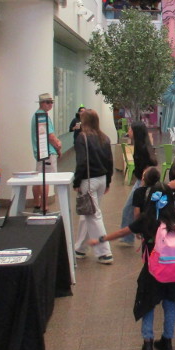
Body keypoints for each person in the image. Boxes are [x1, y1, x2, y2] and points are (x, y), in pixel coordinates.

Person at [88, 184, 175, 350]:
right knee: (170, 304)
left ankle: (147, 343)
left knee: (148, 304)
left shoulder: (146, 219)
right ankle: (167, 340)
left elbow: (123, 232)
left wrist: (101, 239)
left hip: (153, 271)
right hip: (174, 271)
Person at [73, 109, 115, 265]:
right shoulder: (104, 138)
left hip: (89, 181)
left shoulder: (82, 138)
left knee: (93, 215)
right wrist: (108, 181)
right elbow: (110, 162)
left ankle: (105, 252)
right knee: (88, 213)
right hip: (102, 179)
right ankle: (80, 248)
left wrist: (76, 182)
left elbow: (81, 162)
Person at [119, 122, 158, 245]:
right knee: (132, 209)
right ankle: (129, 237)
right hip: (142, 181)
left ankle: (129, 237)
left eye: (130, 130)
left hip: (143, 182)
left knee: (129, 209)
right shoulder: (141, 146)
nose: (128, 132)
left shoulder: (142, 149)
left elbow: (149, 166)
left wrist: (142, 184)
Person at [31, 93, 62, 212]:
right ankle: (44, 206)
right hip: (47, 153)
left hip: (41, 152)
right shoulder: (42, 116)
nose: (50, 105)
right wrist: (58, 145)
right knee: (46, 179)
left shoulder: (37, 115)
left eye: (51, 102)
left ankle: (36, 204)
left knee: (39, 178)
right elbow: (50, 136)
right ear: (42, 103)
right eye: (48, 102)